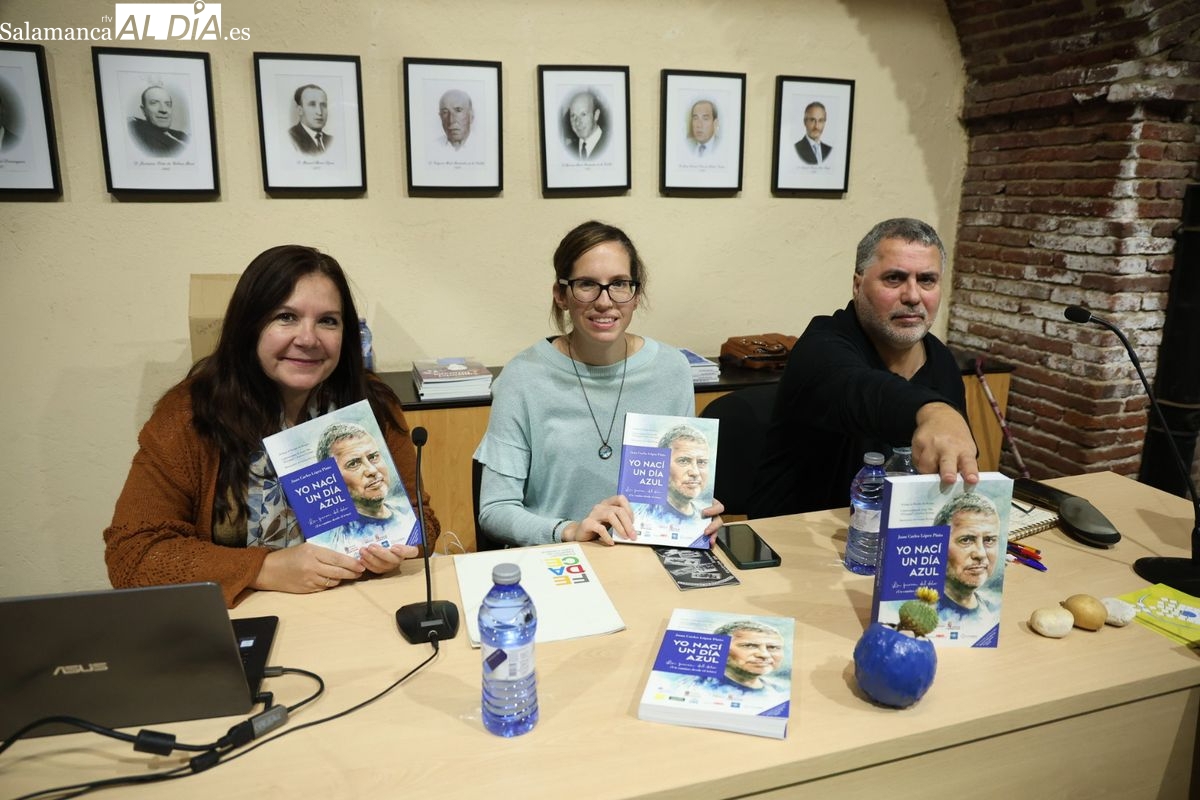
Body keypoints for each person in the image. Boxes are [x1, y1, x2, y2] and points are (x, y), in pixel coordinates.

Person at [103, 245, 439, 607]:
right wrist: (265, 569)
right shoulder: (188, 415)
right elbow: (132, 556)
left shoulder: (370, 404)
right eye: (286, 317)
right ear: (249, 325)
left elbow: (426, 523)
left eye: (328, 320)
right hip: (243, 620)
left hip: (354, 608)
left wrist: (403, 544)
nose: (308, 339)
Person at [474, 220, 723, 548]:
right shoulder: (523, 377)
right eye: (587, 284)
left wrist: (695, 511)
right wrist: (570, 530)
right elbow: (495, 509)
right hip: (558, 559)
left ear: (636, 295)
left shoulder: (671, 370)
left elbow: (668, 491)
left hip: (642, 557)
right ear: (561, 295)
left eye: (619, 284)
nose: (605, 301)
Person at [750, 217, 978, 517]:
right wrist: (934, 412)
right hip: (794, 540)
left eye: (926, 280)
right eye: (894, 279)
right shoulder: (820, 346)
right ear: (858, 285)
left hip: (904, 541)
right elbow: (860, 392)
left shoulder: (941, 360)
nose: (912, 296)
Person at [308, 422, 419, 557]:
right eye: (353, 463)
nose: (372, 470)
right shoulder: (334, 541)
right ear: (332, 478)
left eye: (373, 457)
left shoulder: (406, 516)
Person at [933, 492, 1001, 627]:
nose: (981, 554)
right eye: (966, 540)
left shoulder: (993, 612)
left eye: (989, 540)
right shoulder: (918, 612)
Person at [646, 424, 712, 524]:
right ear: (661, 465)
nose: (695, 472)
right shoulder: (640, 515)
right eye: (683, 461)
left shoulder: (705, 519)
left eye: (701, 462)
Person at [128, 85, 187, 156]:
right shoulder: (143, 141)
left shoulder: (181, 134)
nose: (163, 110)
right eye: (154, 103)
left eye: (168, 104)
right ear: (143, 110)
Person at [288, 84, 331, 155]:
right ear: (300, 110)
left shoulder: (330, 140)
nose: (319, 112)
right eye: (312, 105)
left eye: (323, 105)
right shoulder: (291, 139)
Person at [565, 91, 604, 160]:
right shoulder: (568, 150)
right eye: (573, 116)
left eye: (583, 114)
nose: (577, 122)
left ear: (596, 115)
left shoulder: (613, 147)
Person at [794, 101, 831, 165]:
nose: (816, 126)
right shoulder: (796, 149)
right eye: (812, 120)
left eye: (820, 120)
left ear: (824, 123)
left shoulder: (829, 150)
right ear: (805, 122)